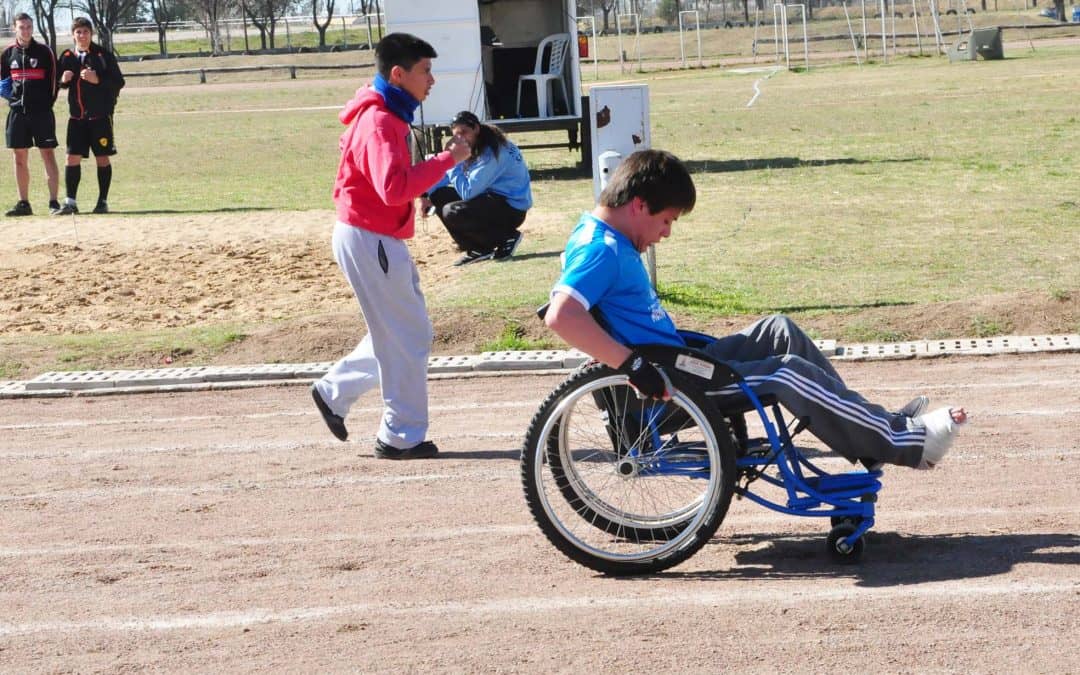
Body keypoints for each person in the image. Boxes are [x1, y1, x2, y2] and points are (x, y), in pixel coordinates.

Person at [544, 149, 967, 471]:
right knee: (785, 372)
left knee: (779, 331)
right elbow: (561, 316)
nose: (666, 234)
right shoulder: (601, 249)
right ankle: (905, 443)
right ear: (639, 204)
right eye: (667, 220)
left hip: (683, 366)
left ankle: (872, 432)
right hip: (670, 389)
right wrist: (633, 366)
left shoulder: (597, 234)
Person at [310, 33, 471, 460]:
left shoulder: (381, 112)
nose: (431, 80)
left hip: (367, 235)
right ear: (398, 74)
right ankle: (400, 436)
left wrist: (422, 179)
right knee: (408, 335)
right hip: (370, 237)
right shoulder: (381, 119)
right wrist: (446, 160)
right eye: (425, 70)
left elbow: (386, 181)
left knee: (401, 333)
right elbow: (392, 188)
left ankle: (334, 393)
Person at [421, 110, 532, 266]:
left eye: (464, 132)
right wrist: (425, 195)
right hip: (490, 200)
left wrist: (454, 160)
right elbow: (444, 177)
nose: (460, 138)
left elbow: (469, 191)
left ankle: (506, 237)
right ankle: (477, 249)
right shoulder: (480, 143)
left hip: (511, 210)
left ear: (476, 129)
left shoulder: (494, 152)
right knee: (439, 195)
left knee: (452, 211)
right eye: (456, 134)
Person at [54, 17, 124, 216]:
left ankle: (102, 201)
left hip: (100, 117)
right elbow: (59, 83)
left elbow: (118, 82)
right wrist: (63, 81)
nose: (82, 35)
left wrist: (98, 79)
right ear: (73, 34)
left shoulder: (103, 55)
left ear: (91, 33)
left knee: (102, 157)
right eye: (78, 32)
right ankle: (70, 202)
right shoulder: (67, 56)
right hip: (76, 118)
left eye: (85, 31)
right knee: (71, 157)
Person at [1, 13, 61, 217]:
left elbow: (54, 83)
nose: (25, 31)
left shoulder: (45, 52)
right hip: (17, 112)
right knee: (19, 156)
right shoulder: (8, 53)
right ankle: (24, 203)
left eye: (28, 27)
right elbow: (3, 82)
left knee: (47, 153)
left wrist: (46, 105)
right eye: (21, 27)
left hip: (41, 112)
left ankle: (53, 202)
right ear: (14, 28)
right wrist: (12, 99)